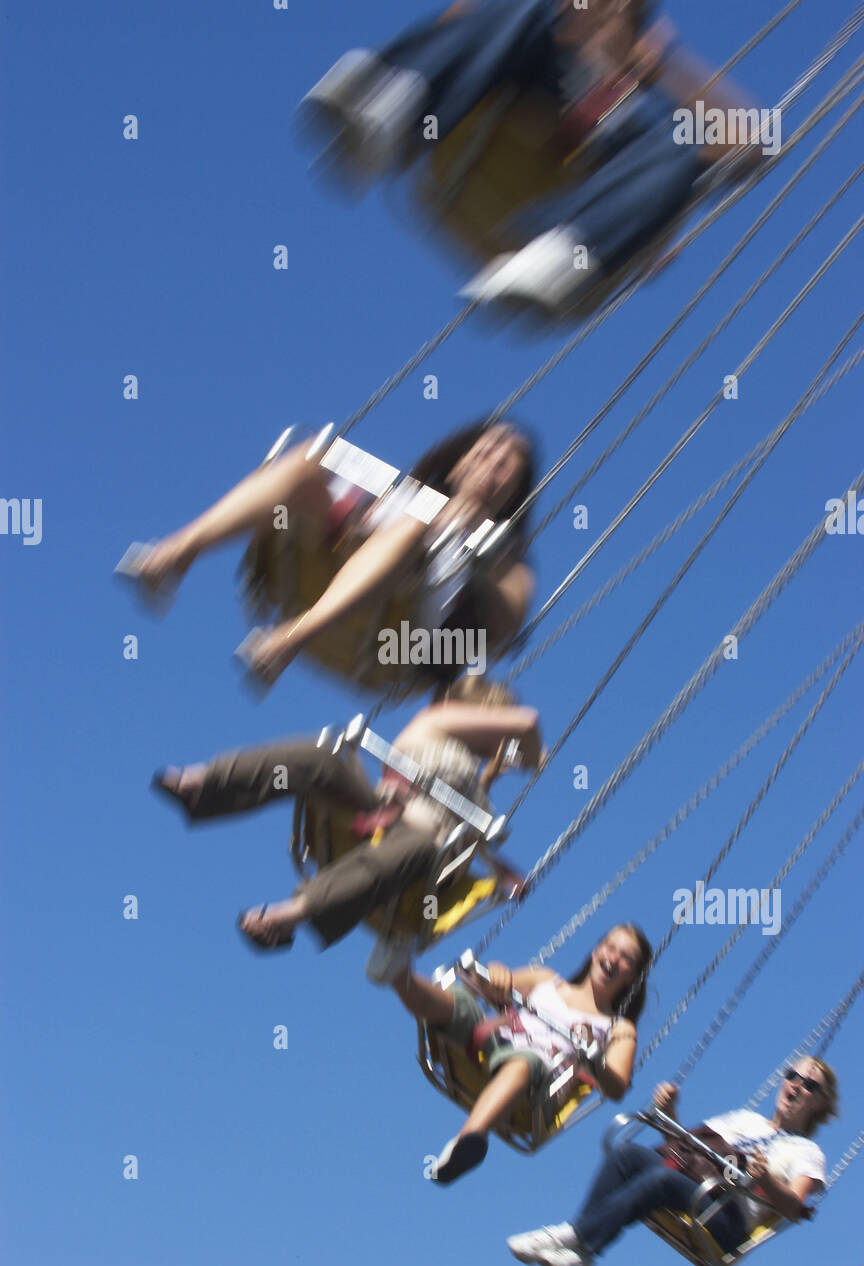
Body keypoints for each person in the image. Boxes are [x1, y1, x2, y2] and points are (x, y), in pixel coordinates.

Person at [302, 1, 762, 320]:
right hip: (459, 172)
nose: (601, 22)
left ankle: (567, 252)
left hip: (534, 239)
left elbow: (750, 145)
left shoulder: (628, 129)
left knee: (685, 140)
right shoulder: (526, 44)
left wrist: (665, 70)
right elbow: (461, 27)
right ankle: (388, 109)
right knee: (522, 12)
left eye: (618, 17)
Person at [150, 675, 543, 971]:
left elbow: (474, 836)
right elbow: (527, 723)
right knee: (319, 758)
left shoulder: (476, 793)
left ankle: (292, 912)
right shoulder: (435, 722)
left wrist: (505, 872)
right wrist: (531, 755)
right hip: (377, 814)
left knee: (419, 843)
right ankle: (207, 783)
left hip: (418, 856)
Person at [116, 420, 537, 690]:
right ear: (459, 461)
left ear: (512, 496)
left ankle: (290, 639)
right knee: (311, 458)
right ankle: (173, 556)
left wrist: (478, 546)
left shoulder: (506, 561)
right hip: (321, 571)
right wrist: (362, 517)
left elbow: (503, 630)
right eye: (489, 447)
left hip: (389, 643)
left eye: (507, 464)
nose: (494, 460)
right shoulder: (402, 494)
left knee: (416, 524)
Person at [507, 1057, 837, 1266]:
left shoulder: (808, 1152)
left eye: (809, 1084)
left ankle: (574, 1237)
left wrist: (765, 1180)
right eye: (792, 1075)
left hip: (729, 1219)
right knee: (627, 1154)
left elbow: (795, 1207)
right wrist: (669, 1111)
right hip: (694, 1183)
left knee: (664, 1180)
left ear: (821, 1103)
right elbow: (688, 1150)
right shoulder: (745, 1118)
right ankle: (583, 1256)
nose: (795, 1084)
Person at [385, 922, 652, 1182]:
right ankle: (396, 972)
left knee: (525, 1062)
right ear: (597, 950)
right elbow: (491, 984)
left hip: (534, 1091)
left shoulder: (617, 1028)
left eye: (626, 957)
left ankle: (467, 1141)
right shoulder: (547, 980)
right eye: (610, 947)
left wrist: (595, 1057)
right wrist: (496, 975)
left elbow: (617, 1086)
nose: (613, 958)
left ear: (632, 976)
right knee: (459, 1000)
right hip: (491, 1049)